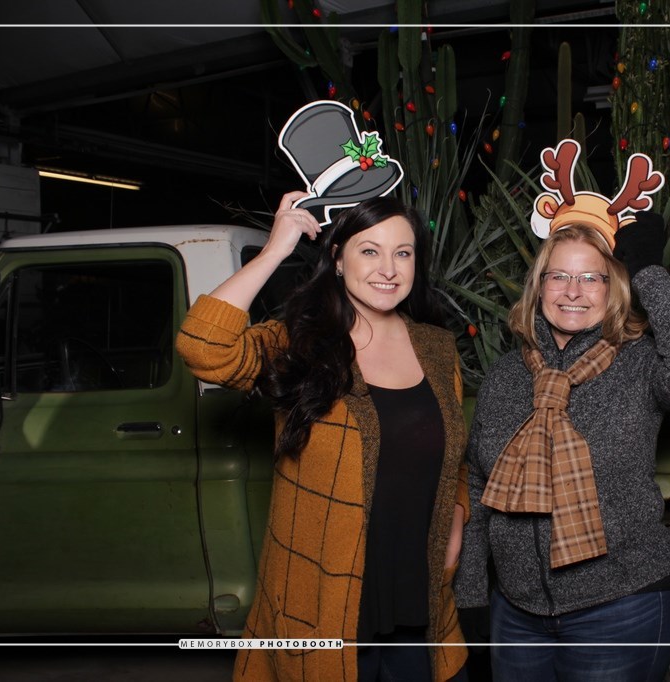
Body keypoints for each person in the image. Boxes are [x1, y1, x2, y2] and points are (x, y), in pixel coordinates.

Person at [176, 190, 469, 682]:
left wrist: (456, 519)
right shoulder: (298, 341)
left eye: (403, 253)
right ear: (337, 259)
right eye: (369, 250)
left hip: (419, 598)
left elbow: (453, 454)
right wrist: (276, 249)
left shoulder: (437, 348)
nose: (388, 269)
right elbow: (203, 347)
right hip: (321, 599)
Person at [454, 177, 670, 679]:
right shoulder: (507, 376)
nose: (573, 292)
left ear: (614, 287)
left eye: (591, 278)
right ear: (539, 286)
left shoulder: (639, 363)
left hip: (620, 606)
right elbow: (477, 486)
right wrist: (471, 592)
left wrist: (649, 272)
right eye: (558, 276)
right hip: (517, 613)